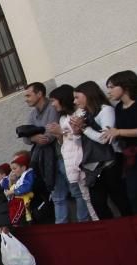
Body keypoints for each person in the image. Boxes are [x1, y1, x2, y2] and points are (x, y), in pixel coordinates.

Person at [73, 81, 130, 218]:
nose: (75, 102)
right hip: (94, 164)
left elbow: (105, 138)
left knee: (119, 199)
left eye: (77, 97)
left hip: (110, 162)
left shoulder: (106, 110)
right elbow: (78, 141)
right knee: (98, 203)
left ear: (88, 95)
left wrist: (84, 128)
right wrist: (76, 131)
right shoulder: (84, 113)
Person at [104, 70, 137, 214]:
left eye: (112, 87)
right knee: (135, 195)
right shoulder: (119, 108)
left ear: (125, 86)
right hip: (131, 155)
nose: (109, 91)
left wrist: (119, 132)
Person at [47, 84, 94, 223]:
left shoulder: (80, 113)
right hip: (69, 161)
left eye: (54, 100)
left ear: (63, 99)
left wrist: (62, 132)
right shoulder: (62, 118)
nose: (53, 104)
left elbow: (81, 137)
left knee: (85, 195)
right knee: (77, 193)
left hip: (82, 161)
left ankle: (84, 222)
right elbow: (64, 142)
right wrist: (59, 135)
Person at [4, 154, 36, 224]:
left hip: (23, 201)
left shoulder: (29, 174)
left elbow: (26, 187)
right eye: (11, 169)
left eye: (14, 168)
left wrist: (13, 192)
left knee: (14, 219)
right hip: (20, 200)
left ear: (23, 168)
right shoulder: (22, 176)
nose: (12, 171)